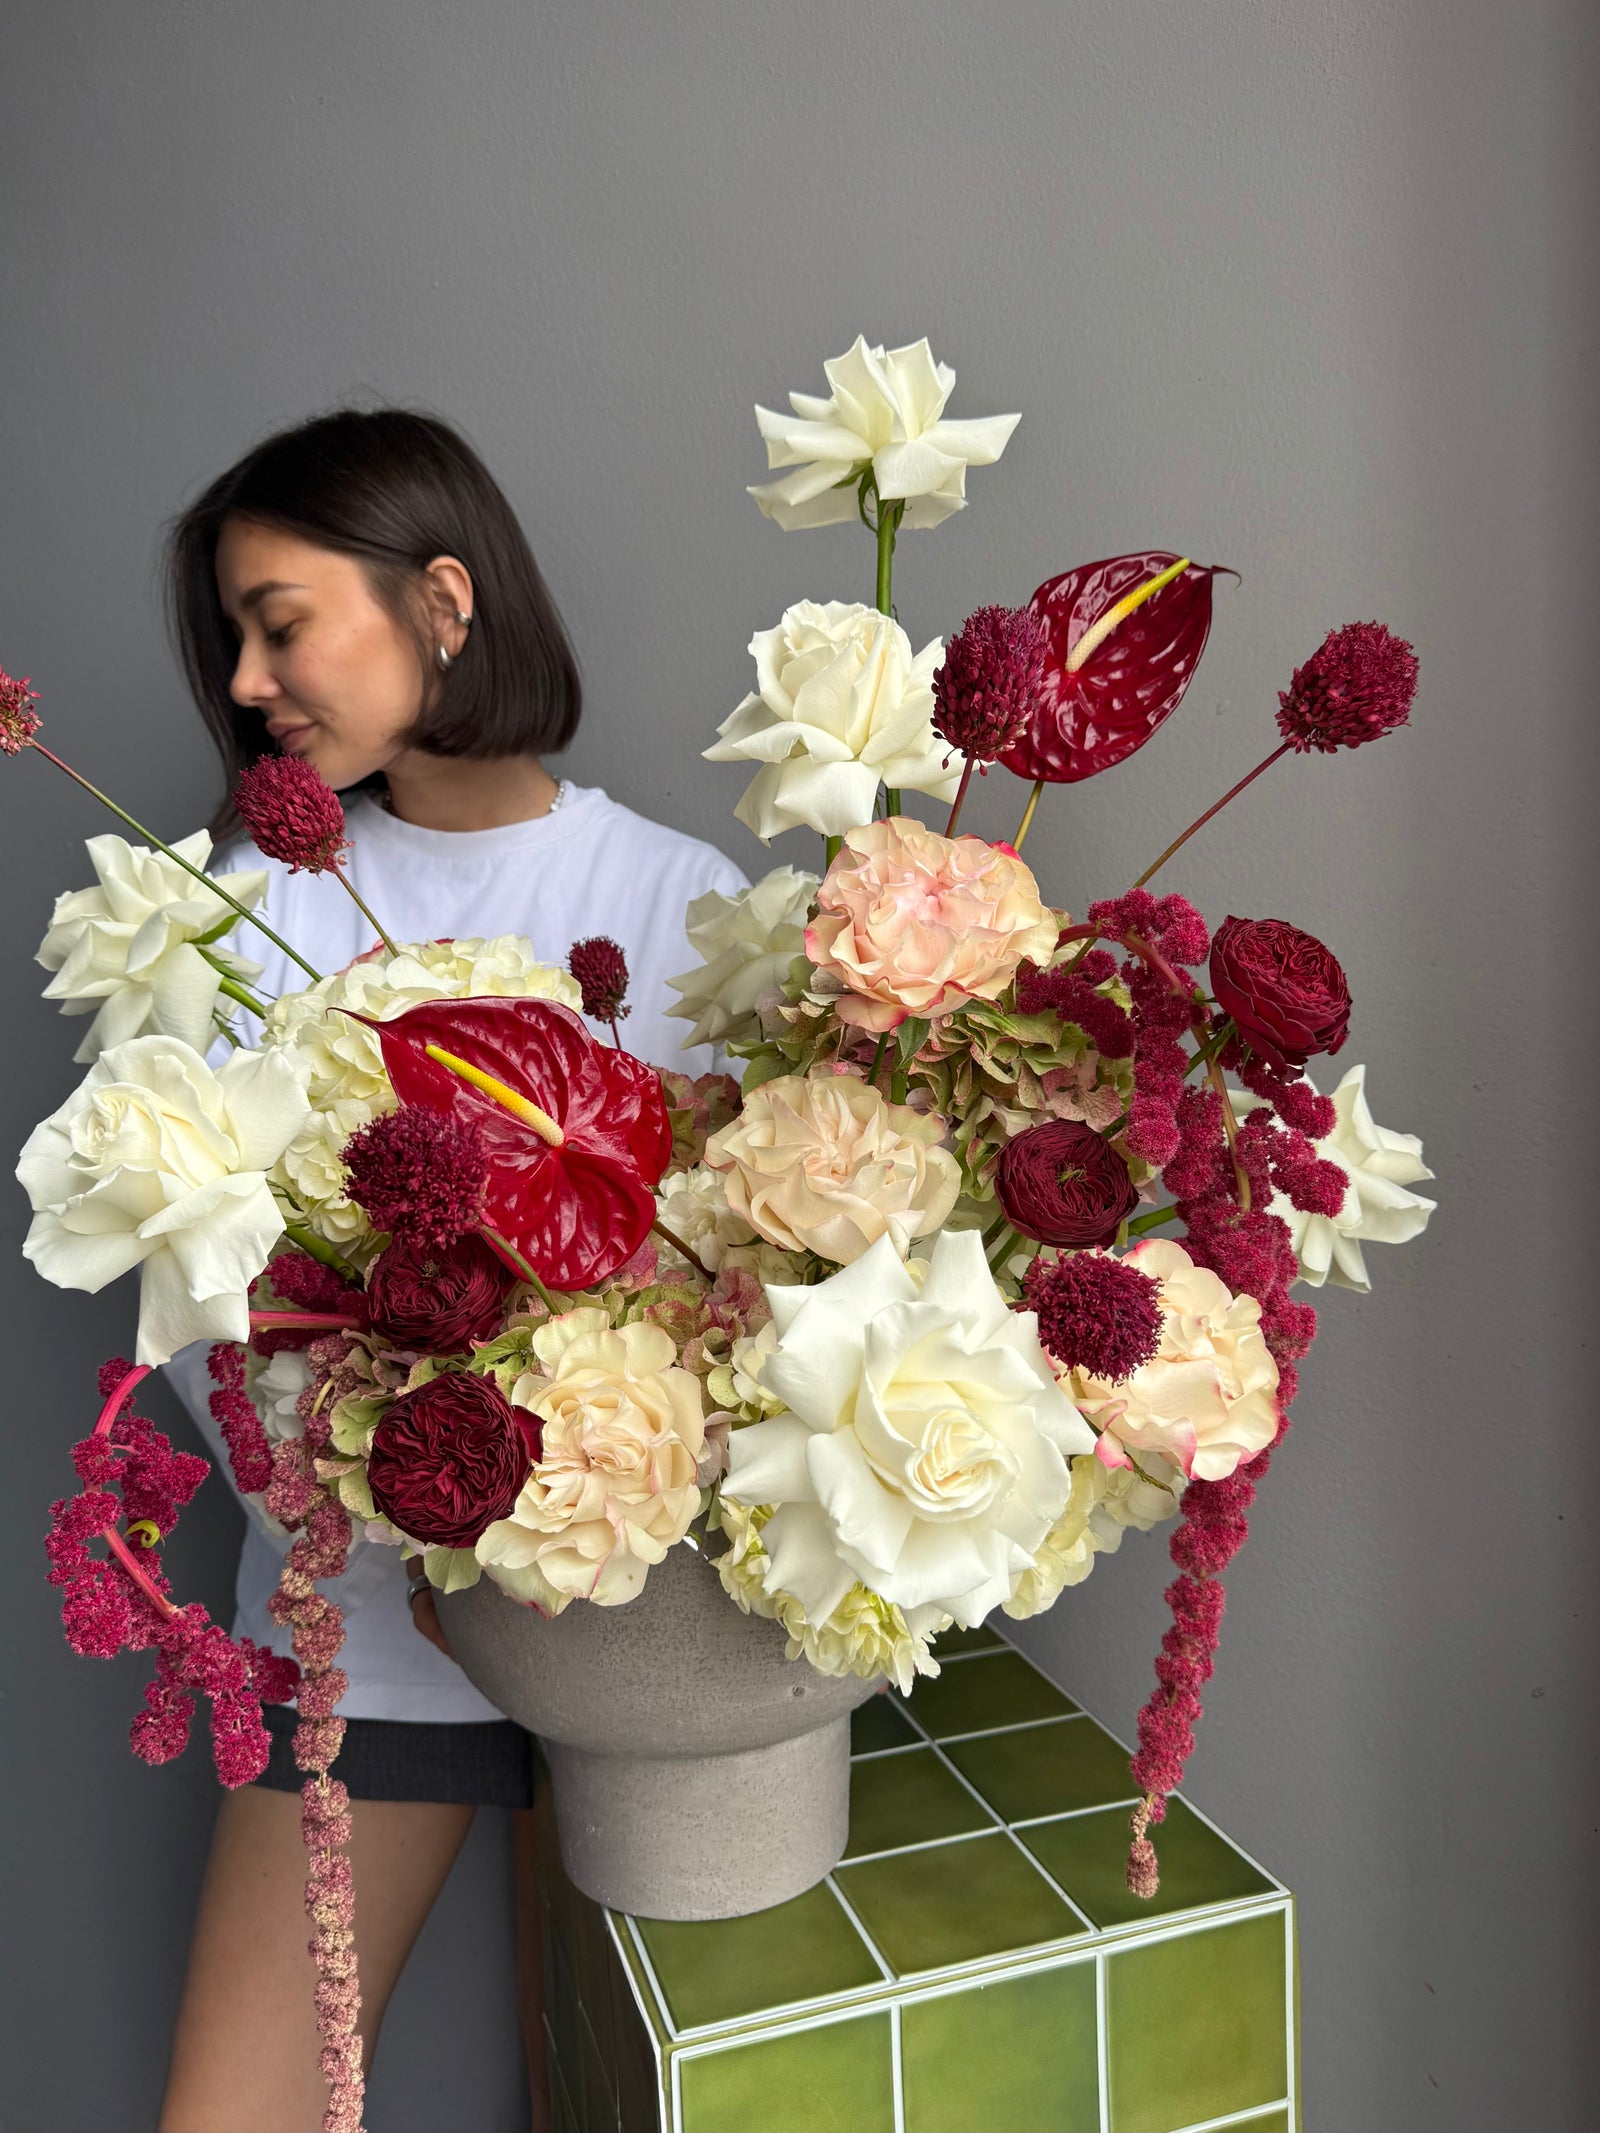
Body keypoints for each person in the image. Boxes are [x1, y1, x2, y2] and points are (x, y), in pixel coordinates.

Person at [152, 407, 746, 2133]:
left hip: (655, 1645)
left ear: (445, 603)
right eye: (236, 641)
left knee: (647, 2099)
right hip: (365, 1635)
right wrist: (392, 1494)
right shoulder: (246, 902)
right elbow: (200, 1295)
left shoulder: (673, 894)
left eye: (281, 622)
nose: (253, 681)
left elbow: (746, 1296)